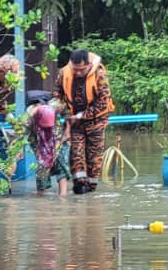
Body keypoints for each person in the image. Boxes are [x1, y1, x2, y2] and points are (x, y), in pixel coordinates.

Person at [56, 49, 114, 194]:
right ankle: (79, 186)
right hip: (74, 121)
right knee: (76, 153)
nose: (78, 73)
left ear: (88, 65)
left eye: (82, 70)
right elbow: (57, 96)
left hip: (96, 120)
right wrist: (67, 115)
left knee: (94, 158)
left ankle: (91, 188)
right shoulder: (64, 73)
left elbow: (103, 103)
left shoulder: (100, 75)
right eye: (75, 70)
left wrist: (82, 116)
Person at [24, 101, 71, 196]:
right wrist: (18, 151)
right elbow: (19, 133)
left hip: (55, 135)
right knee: (42, 166)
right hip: (37, 139)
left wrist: (67, 130)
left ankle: (63, 196)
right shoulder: (28, 118)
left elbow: (68, 112)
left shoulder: (56, 105)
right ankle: (40, 196)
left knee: (61, 162)